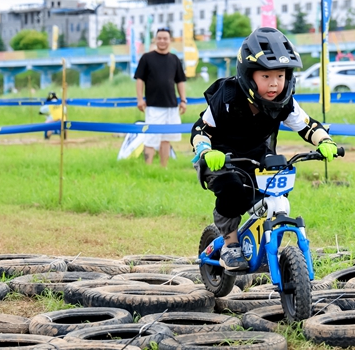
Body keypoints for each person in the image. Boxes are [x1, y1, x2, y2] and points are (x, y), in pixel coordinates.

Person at [190, 27, 338, 271]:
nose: (274, 84)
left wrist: (324, 141)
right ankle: (229, 244)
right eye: (266, 77)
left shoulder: (283, 102)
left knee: (276, 189)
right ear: (248, 76)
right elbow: (200, 130)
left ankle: (262, 243)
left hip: (258, 157)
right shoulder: (227, 98)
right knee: (233, 189)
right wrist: (206, 151)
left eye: (280, 76)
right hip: (221, 158)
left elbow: (307, 125)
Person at [134, 27, 187, 166]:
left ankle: (164, 167)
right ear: (155, 39)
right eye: (159, 38)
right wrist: (140, 99)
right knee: (151, 138)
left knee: (166, 139)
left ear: (170, 40)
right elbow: (139, 80)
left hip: (171, 106)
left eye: (165, 38)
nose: (162, 41)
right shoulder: (146, 58)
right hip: (153, 106)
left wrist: (183, 100)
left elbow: (180, 81)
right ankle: (148, 167)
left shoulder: (174, 59)